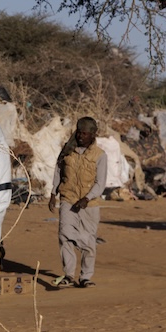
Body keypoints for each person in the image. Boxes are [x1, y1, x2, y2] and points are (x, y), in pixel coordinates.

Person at [48, 116, 108, 288]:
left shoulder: (100, 155)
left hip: (90, 204)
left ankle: (85, 277)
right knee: (63, 235)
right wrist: (53, 193)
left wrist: (87, 198)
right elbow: (58, 171)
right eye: (79, 133)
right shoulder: (67, 150)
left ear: (93, 135)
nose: (81, 137)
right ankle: (68, 275)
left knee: (89, 241)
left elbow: (100, 182)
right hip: (68, 198)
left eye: (85, 134)